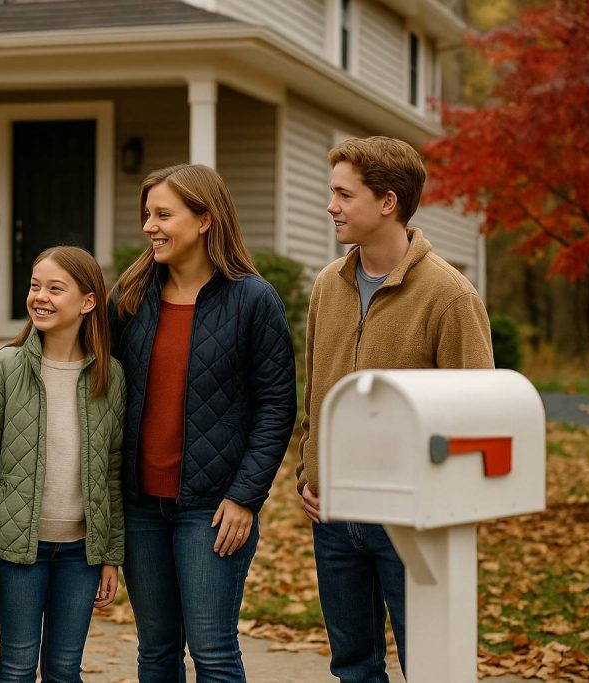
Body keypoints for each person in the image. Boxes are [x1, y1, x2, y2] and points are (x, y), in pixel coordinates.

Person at [297, 136, 494, 682]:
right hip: (333, 516)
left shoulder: (450, 296)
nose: (331, 206)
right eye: (332, 193)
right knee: (353, 669)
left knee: (430, 668)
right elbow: (317, 392)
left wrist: (438, 506)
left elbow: (477, 416)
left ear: (388, 202)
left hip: (412, 523)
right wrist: (309, 473)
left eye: (344, 195)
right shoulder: (327, 286)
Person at [110, 163, 297, 682]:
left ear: (204, 219)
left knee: (212, 651)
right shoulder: (130, 296)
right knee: (155, 651)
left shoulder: (253, 299)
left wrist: (245, 496)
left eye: (163, 215)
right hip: (140, 507)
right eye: (147, 214)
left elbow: (276, 406)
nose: (149, 226)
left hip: (213, 509)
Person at [0, 246, 126, 682]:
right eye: (35, 286)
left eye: (55, 288)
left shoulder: (110, 377)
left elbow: (111, 472)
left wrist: (110, 555)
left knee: (65, 668)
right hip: (17, 550)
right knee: (17, 665)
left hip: (81, 554)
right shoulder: (4, 369)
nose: (40, 297)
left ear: (88, 302)